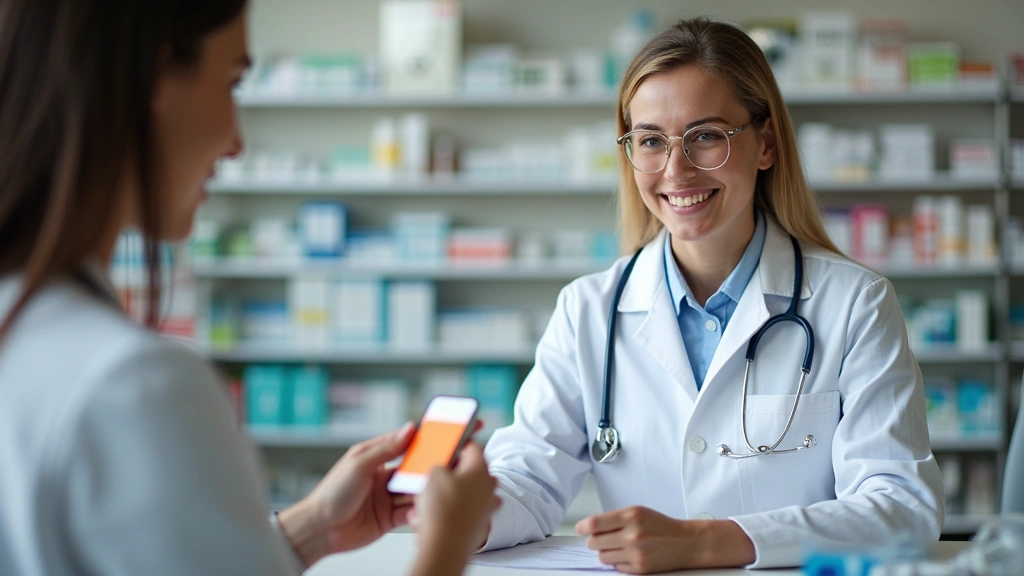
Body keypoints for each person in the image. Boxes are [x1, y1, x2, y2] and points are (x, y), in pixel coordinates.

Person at [0, 1, 496, 575]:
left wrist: (312, 528)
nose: (236, 142)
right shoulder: (133, 384)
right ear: (154, 79)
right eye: (232, 82)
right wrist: (446, 545)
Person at [473, 17, 944, 574]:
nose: (676, 170)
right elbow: (527, 476)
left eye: (706, 136)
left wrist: (708, 543)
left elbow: (902, 505)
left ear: (765, 143)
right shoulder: (588, 310)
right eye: (650, 141)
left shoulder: (855, 304)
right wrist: (463, 514)